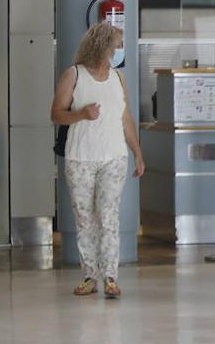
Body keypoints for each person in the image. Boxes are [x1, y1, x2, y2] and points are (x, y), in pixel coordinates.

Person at [49, 22, 145, 298]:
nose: (119, 50)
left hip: (114, 157)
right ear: (103, 46)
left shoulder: (118, 78)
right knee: (85, 219)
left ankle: (111, 277)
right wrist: (81, 114)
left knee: (109, 217)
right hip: (80, 158)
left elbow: (125, 118)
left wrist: (137, 152)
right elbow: (56, 114)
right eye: (116, 45)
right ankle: (90, 275)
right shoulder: (74, 76)